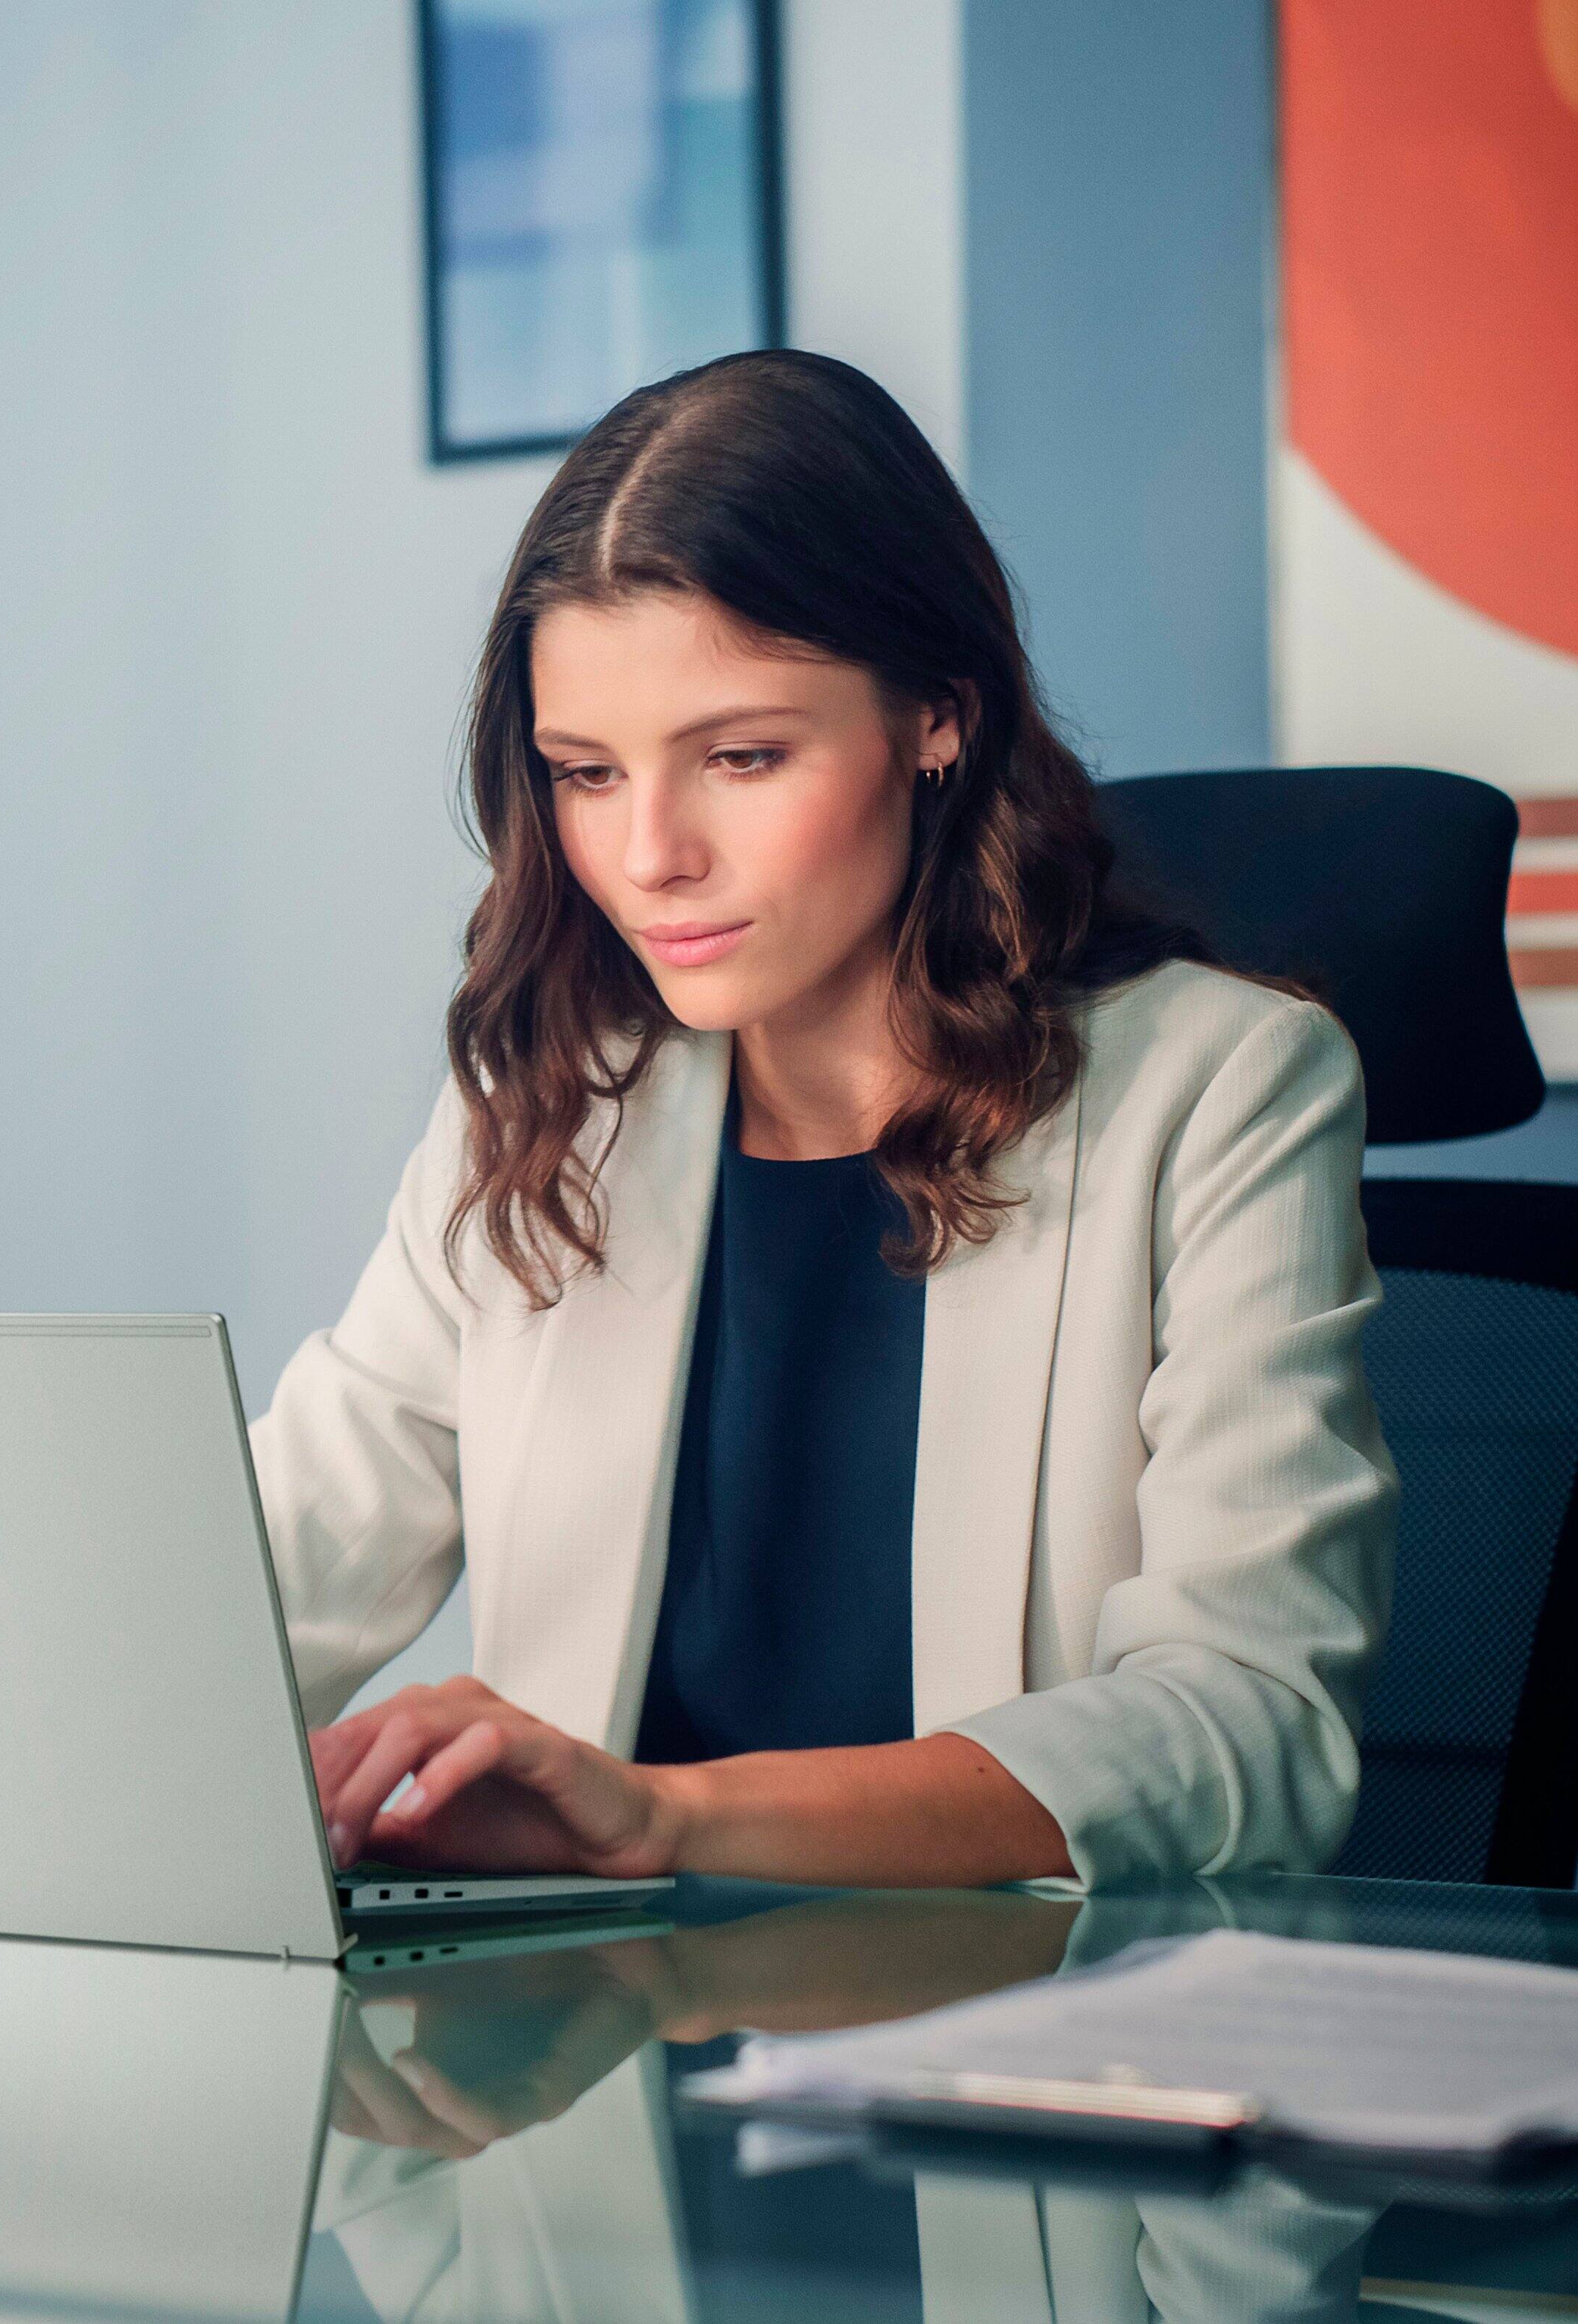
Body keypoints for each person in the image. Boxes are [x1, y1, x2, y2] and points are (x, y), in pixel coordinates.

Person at [253, 348, 1396, 1892]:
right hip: (609, 2072)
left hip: (1013, 2054)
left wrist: (669, 1821)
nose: (650, 854)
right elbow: (277, 1564)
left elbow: (1250, 1725)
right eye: (585, 773)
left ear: (934, 716)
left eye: (740, 756)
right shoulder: (544, 1102)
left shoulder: (1222, 1089)